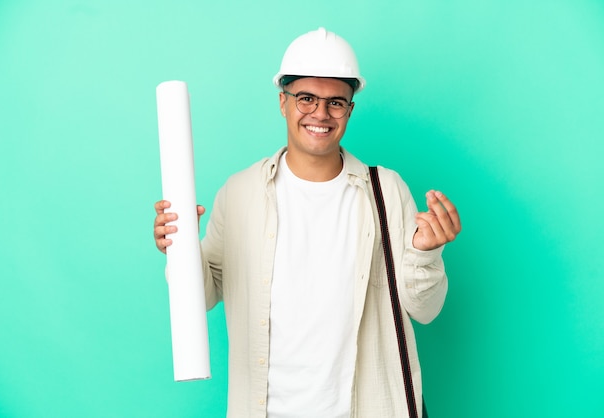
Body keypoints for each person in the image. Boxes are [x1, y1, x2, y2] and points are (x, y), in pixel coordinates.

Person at [153, 27, 461, 418]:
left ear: (350, 110)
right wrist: (178, 249)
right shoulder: (240, 192)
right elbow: (206, 293)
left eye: (336, 102)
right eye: (306, 98)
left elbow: (425, 309)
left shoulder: (385, 191)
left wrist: (426, 253)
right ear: (283, 102)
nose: (320, 113)